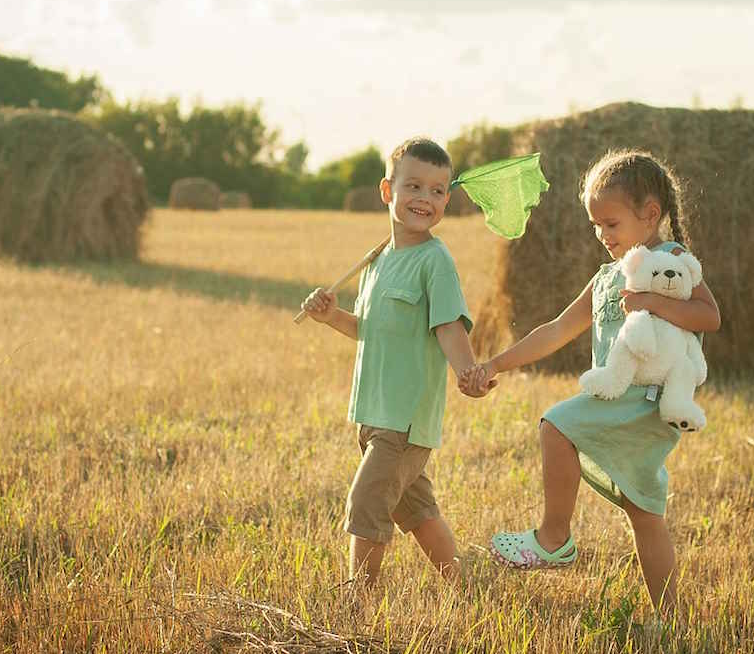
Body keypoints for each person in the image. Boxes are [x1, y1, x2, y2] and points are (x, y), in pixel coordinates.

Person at [459, 149, 720, 616]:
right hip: (623, 400)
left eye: (611, 224)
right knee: (645, 515)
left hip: (646, 401)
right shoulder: (605, 279)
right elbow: (556, 330)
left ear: (650, 215)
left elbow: (709, 315)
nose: (602, 235)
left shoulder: (671, 260)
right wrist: (496, 363)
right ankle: (672, 620)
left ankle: (553, 538)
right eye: (595, 225)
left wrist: (649, 303)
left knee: (556, 425)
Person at [300, 137, 489, 586]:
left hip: (404, 419)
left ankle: (358, 603)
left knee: (366, 501)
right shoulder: (377, 260)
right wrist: (330, 317)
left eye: (438, 191)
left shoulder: (435, 262)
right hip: (372, 413)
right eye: (415, 187)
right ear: (388, 191)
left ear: (447, 199)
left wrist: (468, 371)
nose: (425, 199)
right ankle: (461, 583)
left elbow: (448, 326)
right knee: (416, 509)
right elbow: (368, 328)